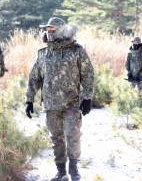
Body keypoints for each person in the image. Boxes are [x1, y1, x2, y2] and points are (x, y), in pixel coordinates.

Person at [25, 17, 94, 181]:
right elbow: (34, 78)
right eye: (47, 30)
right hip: (50, 105)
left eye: (53, 30)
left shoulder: (76, 51)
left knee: (73, 136)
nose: (49, 33)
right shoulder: (43, 54)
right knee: (56, 139)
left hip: (72, 103)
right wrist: (29, 100)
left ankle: (74, 169)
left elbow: (88, 75)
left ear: (63, 31)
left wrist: (87, 97)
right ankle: (61, 171)